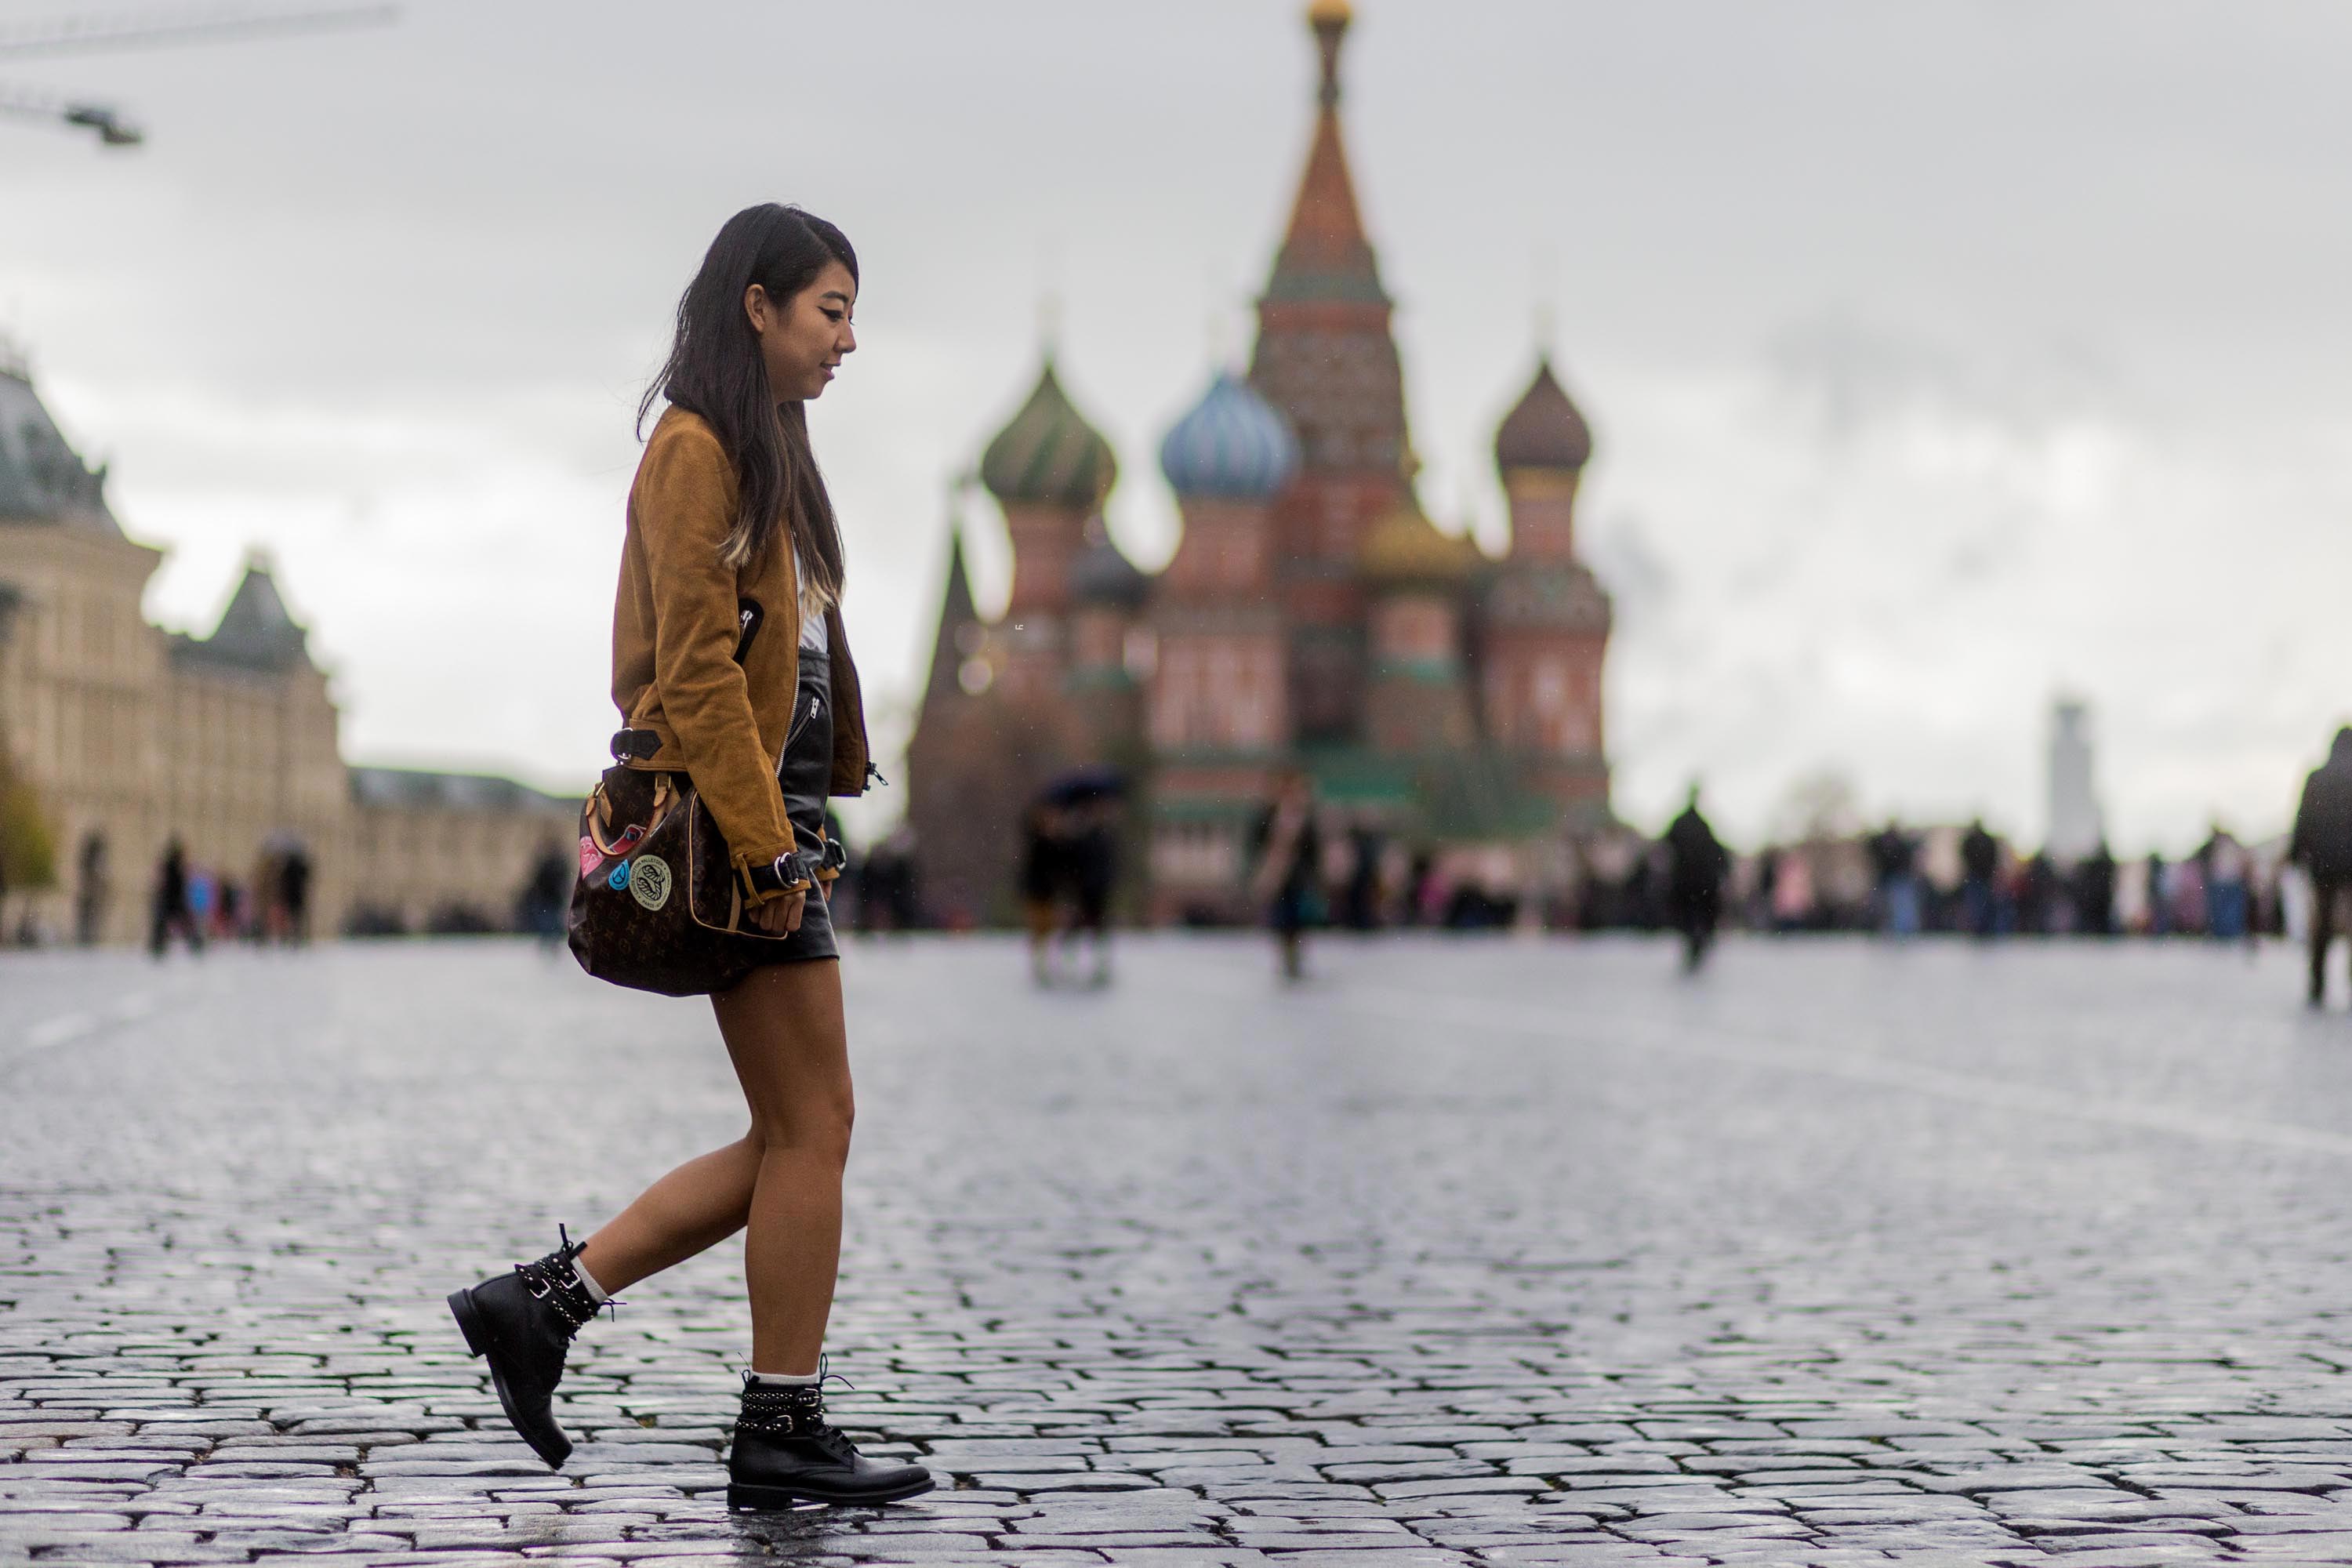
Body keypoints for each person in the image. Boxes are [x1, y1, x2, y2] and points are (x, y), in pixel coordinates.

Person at [445, 205, 929, 1508]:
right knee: (814, 1126)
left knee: (795, 1130)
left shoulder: (766, 446)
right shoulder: (696, 447)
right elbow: (696, 669)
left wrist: (827, 790)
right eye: (830, 309)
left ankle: (543, 1305)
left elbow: (798, 644)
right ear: (756, 307)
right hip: (733, 829)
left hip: (776, 821)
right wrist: (775, 847)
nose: (847, 339)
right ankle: (774, 1419)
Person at [2291, 727, 2352, 1006]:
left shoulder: (2317, 777)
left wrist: (2295, 854)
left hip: (2323, 861)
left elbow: (2303, 819)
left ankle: (2317, 981)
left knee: (2323, 923)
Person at [1251, 768, 1322, 980]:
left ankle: (1296, 956)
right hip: (1278, 876)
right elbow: (1257, 841)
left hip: (1298, 877)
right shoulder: (1270, 814)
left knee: (1298, 918)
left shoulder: (1304, 816)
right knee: (1282, 917)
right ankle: (1287, 955)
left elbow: (1313, 848)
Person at [1662, 786, 1730, 971]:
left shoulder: (1680, 823)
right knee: (1700, 919)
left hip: (1685, 882)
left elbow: (1665, 850)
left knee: (1688, 919)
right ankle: (1696, 944)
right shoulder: (1704, 825)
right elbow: (1717, 853)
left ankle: (1694, 945)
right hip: (1701, 884)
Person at [149, 838, 201, 958]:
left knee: (163, 924)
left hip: (170, 899)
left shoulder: (171, 866)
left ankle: (158, 946)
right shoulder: (176, 866)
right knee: (186, 924)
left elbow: (163, 883)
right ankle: (158, 946)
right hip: (175, 899)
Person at [1867, 820, 1919, 939]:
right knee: (1885, 906)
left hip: (1899, 879)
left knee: (1901, 906)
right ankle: (1887, 928)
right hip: (1886, 879)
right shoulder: (1882, 845)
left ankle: (1903, 929)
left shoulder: (1901, 846)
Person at [1959, 819, 1998, 938]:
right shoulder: (1985, 841)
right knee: (1978, 904)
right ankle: (1980, 928)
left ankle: (1981, 927)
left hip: (1979, 877)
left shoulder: (1973, 841)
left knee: (1978, 904)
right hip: (1979, 876)